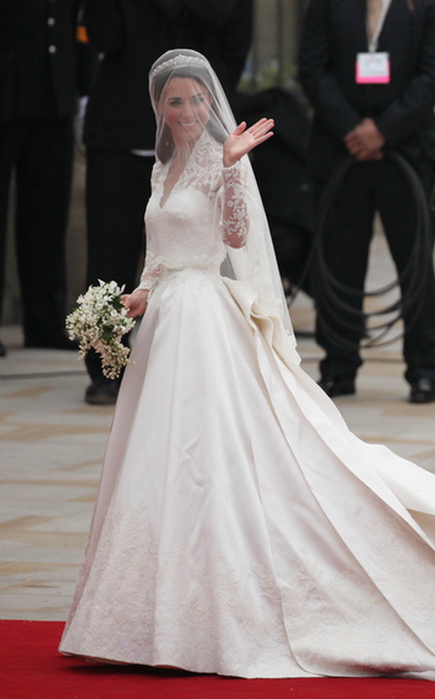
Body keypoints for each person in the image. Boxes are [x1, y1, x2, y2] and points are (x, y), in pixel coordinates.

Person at [59, 50, 435, 680]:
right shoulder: (163, 168)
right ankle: (144, 616)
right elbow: (158, 254)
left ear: (211, 104)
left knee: (204, 456)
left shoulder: (214, 159)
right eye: (174, 101)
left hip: (205, 320)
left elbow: (234, 237)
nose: (186, 112)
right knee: (154, 458)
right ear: (158, 108)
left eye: (196, 100)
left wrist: (232, 168)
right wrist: (132, 298)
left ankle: (214, 612)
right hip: (164, 322)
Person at [82, 0, 253, 405]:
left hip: (195, 127)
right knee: (110, 247)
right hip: (120, 128)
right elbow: (102, 34)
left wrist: (197, 108)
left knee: (199, 249)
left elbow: (234, 41)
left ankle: (207, 364)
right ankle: (106, 361)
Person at [298, 0, 435, 403]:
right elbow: (312, 67)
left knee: (414, 265)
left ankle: (424, 369)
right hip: (342, 149)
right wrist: (353, 129)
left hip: (407, 151)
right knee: (340, 263)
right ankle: (339, 366)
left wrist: (384, 130)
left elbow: (430, 74)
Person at [0, 0, 92, 357]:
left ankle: (45, 321)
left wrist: (84, 87)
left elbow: (80, 22)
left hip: (54, 96)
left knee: (47, 214)